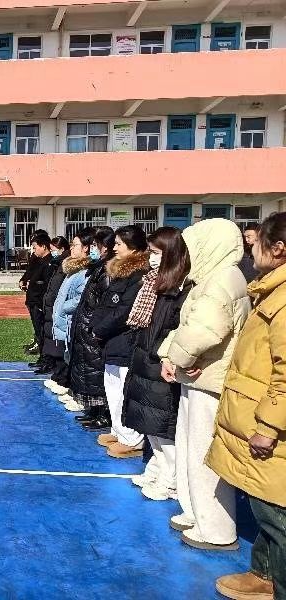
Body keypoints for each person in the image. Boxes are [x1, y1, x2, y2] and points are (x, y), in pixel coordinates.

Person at [159, 218, 251, 551]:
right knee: (190, 448)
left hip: (209, 380)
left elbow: (204, 330)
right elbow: (188, 326)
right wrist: (169, 354)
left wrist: (176, 358)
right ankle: (196, 512)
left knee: (203, 455)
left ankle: (216, 530)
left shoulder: (221, 281)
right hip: (198, 377)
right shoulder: (213, 279)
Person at [207, 212, 286, 600]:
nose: (250, 251)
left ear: (278, 248)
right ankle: (265, 575)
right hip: (256, 413)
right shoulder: (272, 291)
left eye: (255, 244)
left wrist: (268, 426)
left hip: (271, 426)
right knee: (264, 504)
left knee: (277, 513)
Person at [123, 227, 192, 500]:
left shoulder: (178, 289)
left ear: (171, 254)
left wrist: (162, 355)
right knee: (149, 423)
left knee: (162, 425)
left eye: (155, 253)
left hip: (159, 363)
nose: (151, 258)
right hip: (145, 358)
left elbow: (172, 328)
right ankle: (158, 468)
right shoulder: (155, 283)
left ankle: (170, 479)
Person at [91, 225, 149, 458]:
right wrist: (97, 326)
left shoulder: (138, 275)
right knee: (113, 389)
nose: (114, 248)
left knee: (125, 391)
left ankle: (132, 439)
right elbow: (107, 304)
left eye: (118, 244)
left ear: (133, 247)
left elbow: (124, 311)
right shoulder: (120, 271)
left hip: (125, 340)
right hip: (111, 340)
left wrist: (100, 329)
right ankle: (118, 430)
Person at [70, 226, 115, 427]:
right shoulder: (97, 267)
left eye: (96, 245)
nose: (92, 249)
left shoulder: (107, 271)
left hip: (94, 328)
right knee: (88, 371)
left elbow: (104, 304)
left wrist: (95, 326)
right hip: (86, 325)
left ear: (105, 247)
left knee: (96, 372)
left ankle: (104, 414)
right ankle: (94, 410)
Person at [48, 228, 94, 402]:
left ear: (86, 248)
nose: (72, 248)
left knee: (74, 356)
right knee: (66, 353)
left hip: (71, 319)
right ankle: (66, 383)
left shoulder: (84, 271)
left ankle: (71, 387)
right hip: (64, 319)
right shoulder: (73, 269)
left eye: (75, 245)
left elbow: (79, 298)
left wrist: (64, 307)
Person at [35, 236, 70, 375]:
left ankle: (55, 366)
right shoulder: (57, 263)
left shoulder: (65, 264)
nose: (52, 252)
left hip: (56, 306)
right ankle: (50, 363)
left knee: (54, 337)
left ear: (61, 249)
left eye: (54, 249)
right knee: (48, 334)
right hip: (50, 304)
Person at [23, 233, 53, 356]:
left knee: (41, 330)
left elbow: (46, 286)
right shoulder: (38, 261)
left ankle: (44, 356)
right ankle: (42, 355)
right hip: (33, 300)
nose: (34, 250)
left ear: (44, 246)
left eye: (35, 247)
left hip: (39, 302)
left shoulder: (49, 263)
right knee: (37, 329)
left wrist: (41, 304)